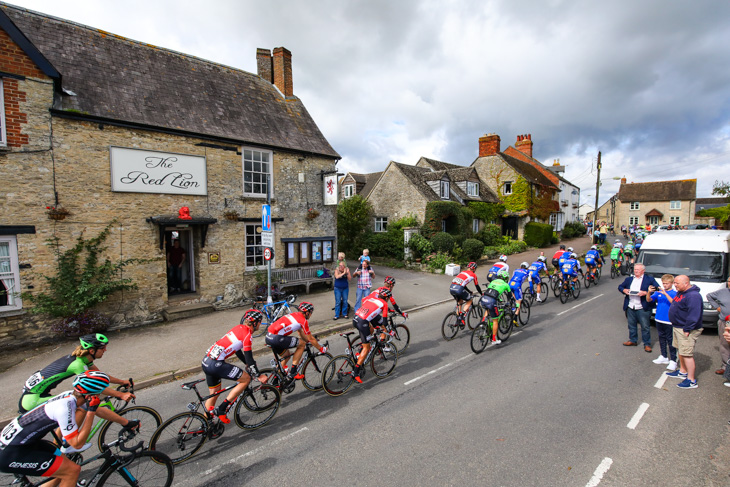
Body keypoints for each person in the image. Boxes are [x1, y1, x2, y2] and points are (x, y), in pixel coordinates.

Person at [0, 371, 126, 487]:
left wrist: (125, 422)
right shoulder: (64, 408)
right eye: (99, 394)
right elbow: (77, 444)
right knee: (72, 470)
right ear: (90, 396)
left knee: (62, 466)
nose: (100, 396)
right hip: (11, 452)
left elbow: (98, 411)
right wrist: (91, 413)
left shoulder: (68, 396)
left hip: (23, 442)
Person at [19, 334, 133, 429]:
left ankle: (67, 440)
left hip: (36, 394)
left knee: (79, 402)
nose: (105, 350)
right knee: (82, 404)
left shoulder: (82, 359)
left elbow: (100, 376)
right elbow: (95, 385)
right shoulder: (78, 365)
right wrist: (121, 395)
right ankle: (69, 442)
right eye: (102, 348)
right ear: (92, 350)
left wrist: (121, 382)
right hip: (32, 400)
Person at [202, 309, 268, 424]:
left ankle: (206, 424)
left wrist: (246, 363)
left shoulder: (238, 328)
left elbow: (238, 351)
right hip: (216, 364)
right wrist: (258, 375)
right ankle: (222, 409)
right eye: (260, 322)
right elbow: (249, 357)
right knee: (246, 379)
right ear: (255, 323)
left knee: (214, 393)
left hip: (206, 361)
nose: (260, 325)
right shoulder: (247, 335)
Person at [265, 302, 326, 384]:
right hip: (277, 338)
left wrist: (308, 341)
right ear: (307, 313)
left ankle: (276, 380)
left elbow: (300, 333)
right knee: (301, 344)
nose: (311, 315)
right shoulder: (303, 321)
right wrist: (321, 349)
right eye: (311, 313)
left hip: (268, 337)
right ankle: (293, 371)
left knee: (286, 356)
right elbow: (311, 338)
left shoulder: (294, 314)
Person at [666, 275, 704, 388]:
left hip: (685, 329)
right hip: (678, 326)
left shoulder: (693, 296)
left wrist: (687, 328)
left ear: (686, 283)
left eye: (677, 283)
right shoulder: (681, 292)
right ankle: (683, 371)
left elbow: (694, 315)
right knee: (681, 351)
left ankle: (691, 380)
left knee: (687, 354)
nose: (675, 285)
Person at [352, 287, 391, 383]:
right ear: (386, 298)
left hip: (356, 318)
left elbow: (367, 305)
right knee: (367, 346)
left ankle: (362, 351)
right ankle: (356, 372)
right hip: (362, 321)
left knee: (372, 330)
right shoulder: (384, 304)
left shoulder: (372, 299)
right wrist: (390, 332)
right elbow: (385, 323)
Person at [618, 263, 660, 352]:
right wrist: (624, 290)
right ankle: (633, 340)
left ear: (643, 271)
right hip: (631, 306)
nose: (635, 271)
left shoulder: (649, 279)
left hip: (642, 307)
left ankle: (647, 344)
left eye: (638, 269)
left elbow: (657, 288)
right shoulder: (629, 279)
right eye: (635, 269)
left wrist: (645, 293)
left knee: (645, 327)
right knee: (631, 325)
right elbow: (620, 286)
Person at [647, 274, 678, 370]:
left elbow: (674, 303)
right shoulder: (659, 292)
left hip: (669, 321)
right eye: (663, 283)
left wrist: (665, 294)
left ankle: (673, 360)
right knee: (662, 338)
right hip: (659, 319)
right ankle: (664, 356)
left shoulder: (675, 293)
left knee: (670, 340)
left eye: (667, 283)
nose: (665, 285)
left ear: (672, 283)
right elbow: (649, 300)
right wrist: (648, 292)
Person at [478, 269, 513, 345]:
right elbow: (510, 296)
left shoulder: (493, 281)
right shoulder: (506, 284)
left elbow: (492, 291)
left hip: (483, 299)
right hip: (491, 301)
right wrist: (512, 303)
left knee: (488, 309)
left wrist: (499, 300)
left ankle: (483, 323)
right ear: (505, 278)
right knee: (495, 320)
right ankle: (494, 339)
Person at [707, 277, 730, 377]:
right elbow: (709, 296)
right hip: (724, 322)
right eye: (729, 281)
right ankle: (725, 367)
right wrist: (717, 307)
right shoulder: (722, 292)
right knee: (724, 345)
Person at [449, 262, 483, 328]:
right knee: (470, 300)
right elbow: (477, 286)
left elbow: (463, 285)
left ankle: (458, 319)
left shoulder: (462, 272)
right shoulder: (473, 275)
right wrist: (482, 294)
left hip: (451, 288)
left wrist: (469, 291)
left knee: (460, 302)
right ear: (474, 268)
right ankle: (462, 316)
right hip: (459, 289)